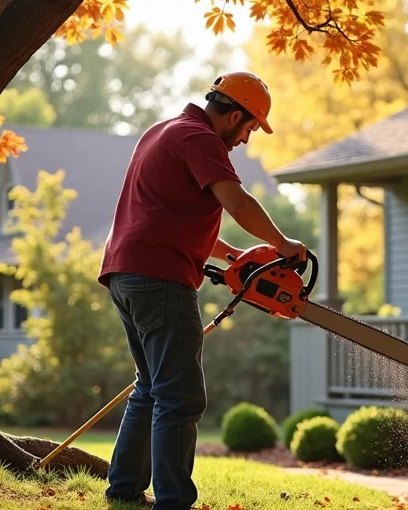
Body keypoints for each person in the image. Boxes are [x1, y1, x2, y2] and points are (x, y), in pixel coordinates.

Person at [97, 71, 307, 509]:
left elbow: (168, 212)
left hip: (126, 273)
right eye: (249, 128)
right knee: (180, 395)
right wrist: (283, 244)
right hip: (161, 278)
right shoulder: (201, 139)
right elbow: (238, 201)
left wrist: (232, 255)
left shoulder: (163, 131)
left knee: (150, 388)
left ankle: (124, 490)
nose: (247, 139)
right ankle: (174, 501)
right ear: (234, 116)